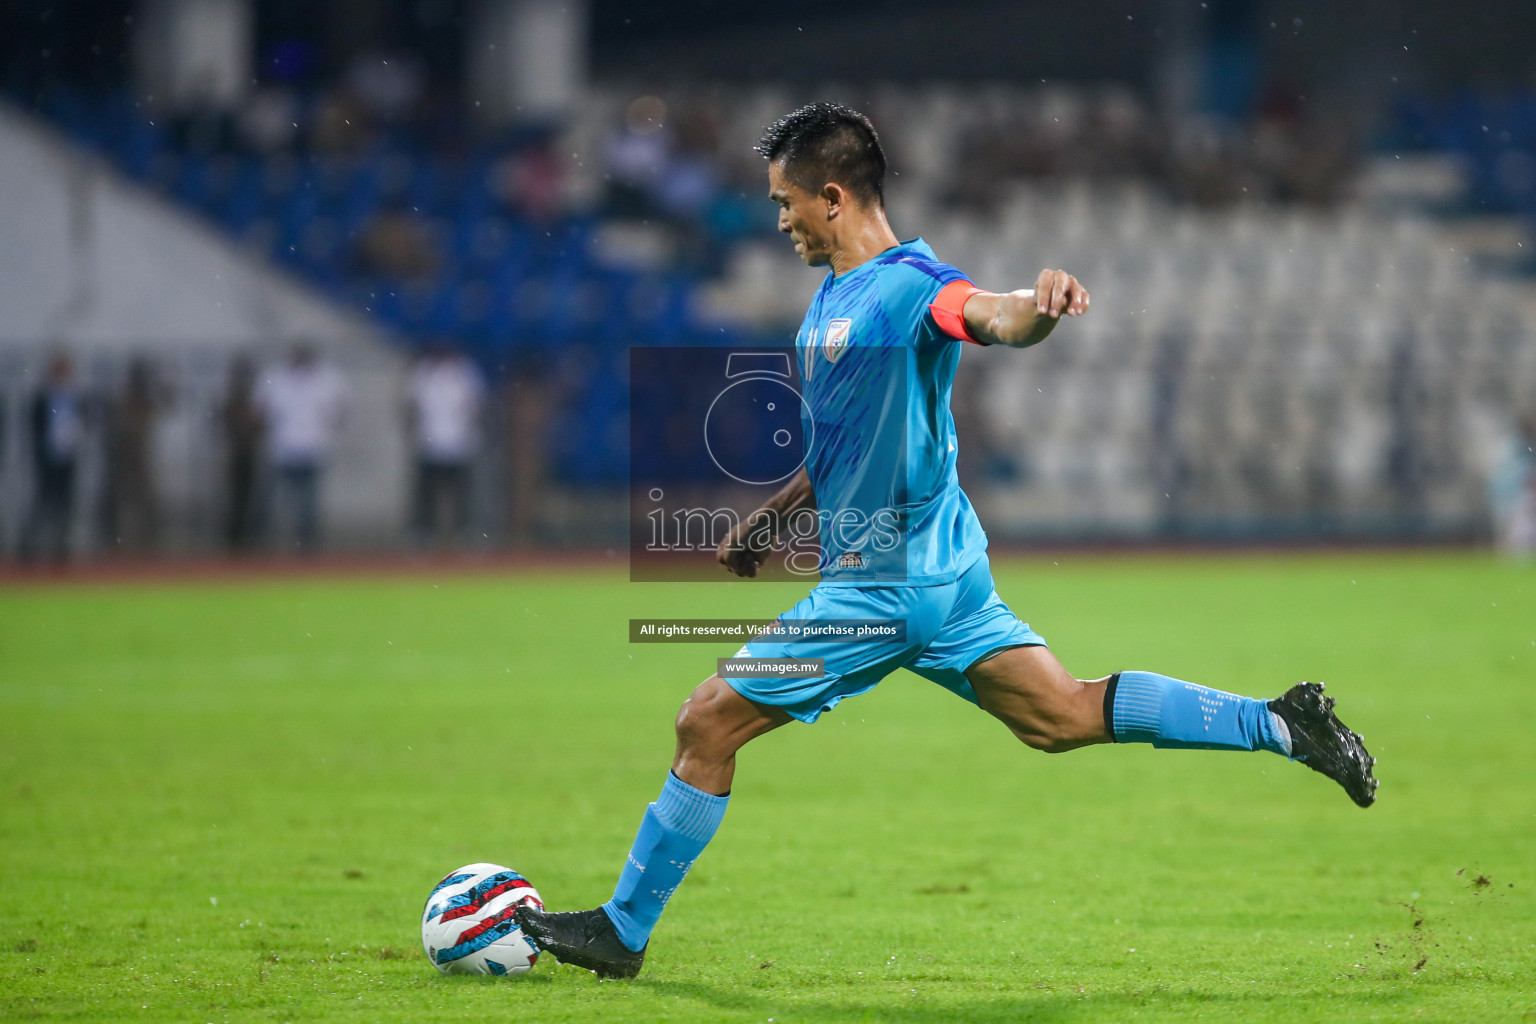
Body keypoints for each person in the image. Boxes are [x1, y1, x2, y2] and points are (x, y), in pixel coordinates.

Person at [512, 104, 1378, 979]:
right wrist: (774, 516)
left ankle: (622, 932)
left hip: (884, 589)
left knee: (706, 722)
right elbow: (850, 437)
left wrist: (1037, 307)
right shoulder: (834, 300)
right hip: (945, 576)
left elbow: (989, 315)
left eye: (787, 202)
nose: (779, 221)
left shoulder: (912, 285)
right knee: (1063, 716)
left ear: (835, 197)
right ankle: (1281, 725)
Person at [254, 343, 345, 553]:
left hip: (312, 447)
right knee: (270, 503)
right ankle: (260, 549)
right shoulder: (275, 377)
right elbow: (260, 410)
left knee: (308, 507)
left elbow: (341, 410)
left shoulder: (327, 379)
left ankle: (306, 549)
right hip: (282, 448)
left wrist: (326, 430)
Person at [405, 344, 485, 547]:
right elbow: (411, 406)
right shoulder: (423, 372)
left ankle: (463, 532)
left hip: (459, 442)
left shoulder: (465, 371)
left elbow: (476, 405)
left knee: (462, 492)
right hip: (429, 441)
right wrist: (413, 433)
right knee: (426, 493)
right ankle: (424, 533)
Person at [20, 353, 87, 563]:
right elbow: (36, 430)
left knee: (65, 507)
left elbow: (82, 427)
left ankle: (61, 550)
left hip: (67, 462)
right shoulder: (43, 399)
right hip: (47, 462)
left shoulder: (75, 399)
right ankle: (29, 549)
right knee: (43, 506)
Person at [221, 356, 264, 550]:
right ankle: (234, 542)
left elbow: (260, 426)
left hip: (249, 455)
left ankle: (247, 542)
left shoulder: (253, 400)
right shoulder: (232, 401)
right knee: (234, 501)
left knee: (248, 501)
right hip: (234, 455)